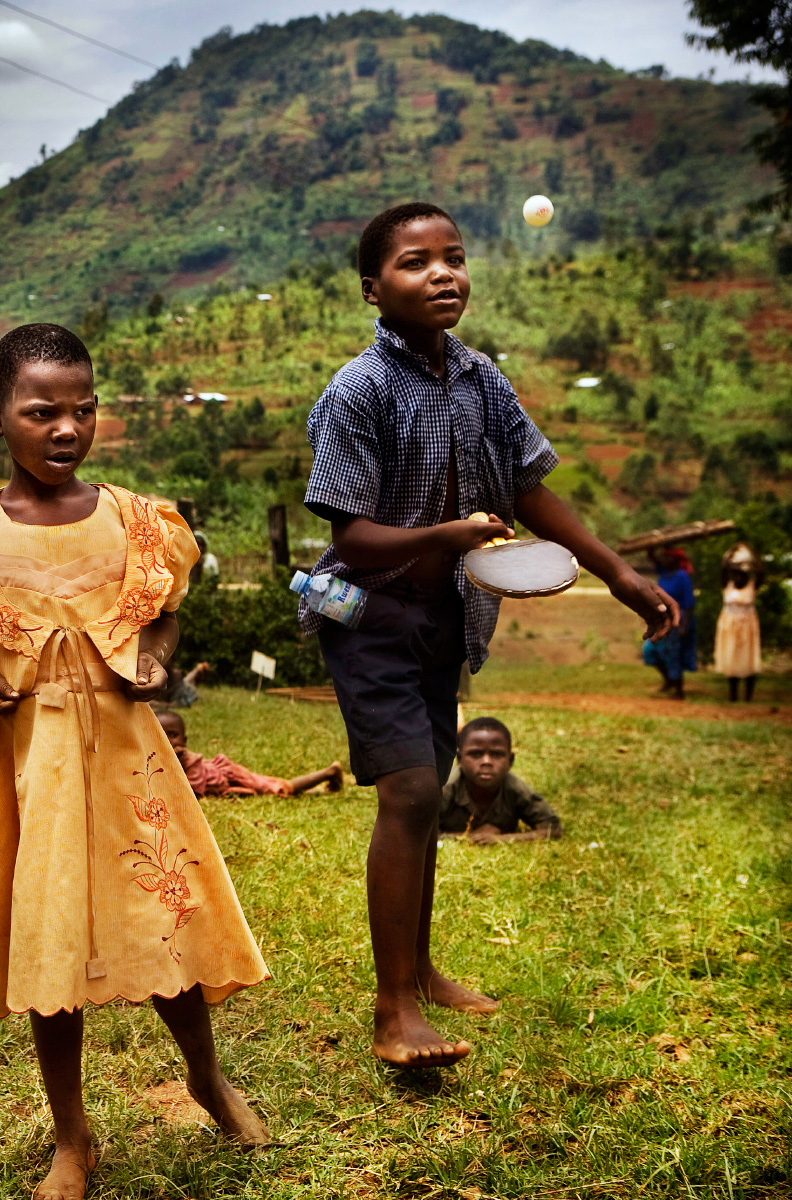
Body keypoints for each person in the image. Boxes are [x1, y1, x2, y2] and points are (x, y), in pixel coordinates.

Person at [300, 202, 678, 1069]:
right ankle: (394, 1010)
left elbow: (531, 489)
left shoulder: (481, 380)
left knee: (425, 789)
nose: (441, 274)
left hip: (445, 619)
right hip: (367, 616)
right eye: (414, 262)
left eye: (454, 258)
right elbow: (351, 536)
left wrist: (616, 572)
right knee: (405, 795)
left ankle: (420, 969)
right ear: (373, 288)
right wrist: (449, 535)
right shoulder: (359, 391)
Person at [0, 324, 271, 1198]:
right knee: (52, 945)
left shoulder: (140, 522)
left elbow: (164, 616)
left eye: (84, 410)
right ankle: (71, 1138)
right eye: (42, 412)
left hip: (127, 757)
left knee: (165, 926)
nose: (66, 429)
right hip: (31, 759)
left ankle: (207, 1077)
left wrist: (156, 660)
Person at [154, 709, 343, 797]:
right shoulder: (157, 762)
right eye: (163, 736)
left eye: (174, 735)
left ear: (185, 741)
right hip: (228, 785)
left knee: (277, 788)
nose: (169, 741)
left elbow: (192, 794)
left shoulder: (189, 761)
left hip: (231, 775)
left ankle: (330, 772)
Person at [438, 717, 561, 843]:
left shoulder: (515, 788)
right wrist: (470, 837)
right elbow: (422, 831)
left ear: (510, 760)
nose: (486, 762)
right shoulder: (444, 789)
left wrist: (502, 839)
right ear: (459, 759)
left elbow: (553, 828)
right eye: (476, 754)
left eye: (496, 754)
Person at [642, 547, 697, 699]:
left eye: (668, 557)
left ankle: (679, 691)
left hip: (677, 621)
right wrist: (656, 543)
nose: (664, 559)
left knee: (674, 655)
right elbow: (651, 555)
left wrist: (683, 626)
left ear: (675, 559)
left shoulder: (682, 576)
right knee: (650, 651)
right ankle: (669, 681)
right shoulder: (664, 573)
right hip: (661, 620)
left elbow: (689, 603)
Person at [715, 542, 761, 702]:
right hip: (729, 626)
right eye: (735, 574)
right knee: (731, 656)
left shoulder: (751, 587)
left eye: (741, 574)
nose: (738, 577)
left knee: (748, 658)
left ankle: (748, 697)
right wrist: (730, 554)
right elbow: (722, 570)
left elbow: (760, 572)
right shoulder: (727, 586)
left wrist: (752, 554)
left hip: (748, 627)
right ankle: (732, 696)